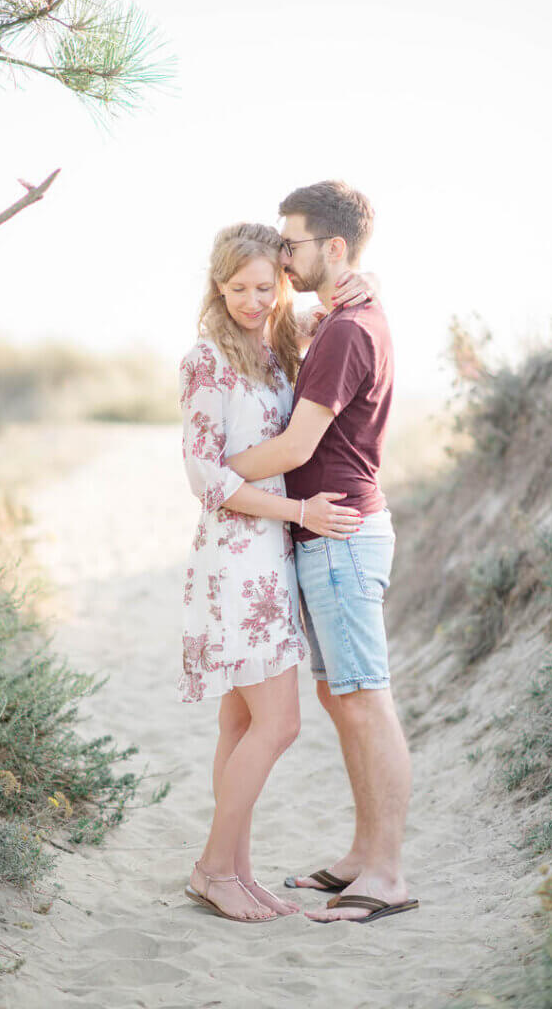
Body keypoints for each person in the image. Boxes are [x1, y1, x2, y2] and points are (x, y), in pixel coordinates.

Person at [226, 181, 419, 924]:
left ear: (333, 248)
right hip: (328, 536)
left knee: (365, 698)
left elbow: (301, 443)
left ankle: (389, 874)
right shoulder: (345, 315)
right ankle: (361, 856)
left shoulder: (347, 328)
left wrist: (218, 469)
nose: (282, 254)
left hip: (340, 537)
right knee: (343, 698)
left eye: (292, 242)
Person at [180, 222, 375, 923]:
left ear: (282, 283)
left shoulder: (281, 350)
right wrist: (296, 511)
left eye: (266, 287)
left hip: (268, 553)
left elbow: (352, 307)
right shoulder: (207, 360)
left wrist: (368, 282)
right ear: (219, 286)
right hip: (237, 557)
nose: (254, 300)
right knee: (280, 723)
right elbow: (203, 474)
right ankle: (211, 868)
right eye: (239, 289)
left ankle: (236, 869)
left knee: (239, 723)